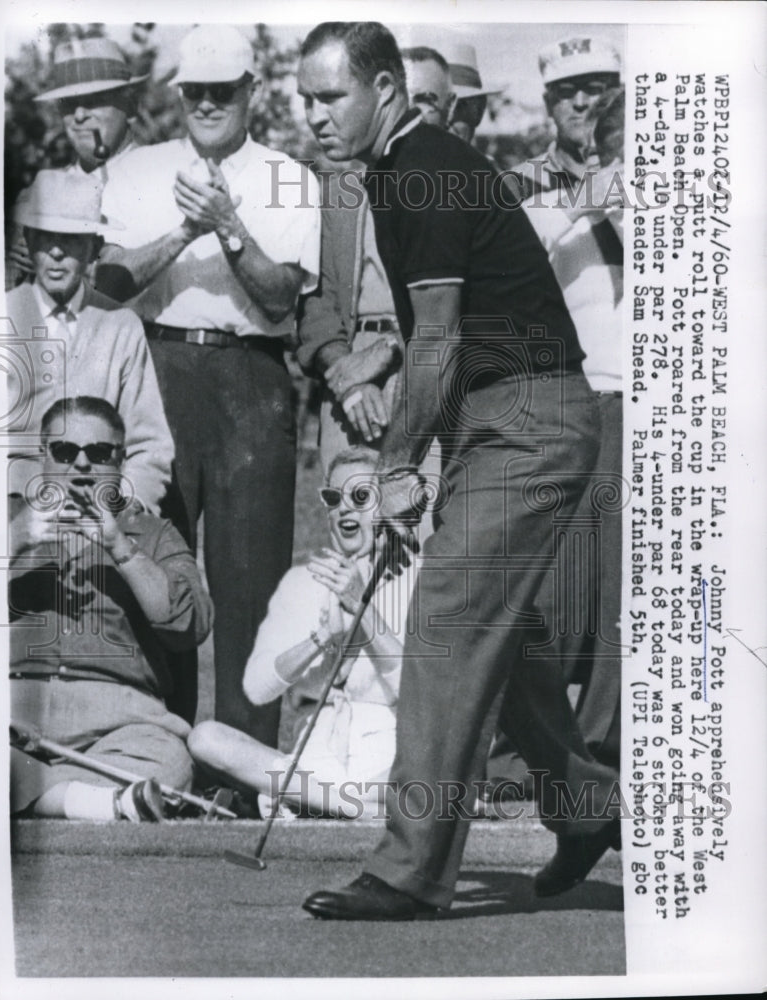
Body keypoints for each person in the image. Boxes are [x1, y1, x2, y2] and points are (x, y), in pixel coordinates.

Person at [296, 21, 621, 921]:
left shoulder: (420, 172)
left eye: (330, 97)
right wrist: (383, 367)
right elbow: (443, 329)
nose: (314, 117)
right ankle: (588, 802)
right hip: (503, 415)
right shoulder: (400, 171)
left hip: (529, 419)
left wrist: (395, 464)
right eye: (304, 99)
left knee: (445, 620)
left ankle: (408, 871)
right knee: (498, 633)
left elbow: (439, 338)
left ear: (385, 91)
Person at [96, 25, 320, 749]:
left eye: (223, 89)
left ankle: (237, 765)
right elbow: (108, 283)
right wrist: (182, 233)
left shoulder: (289, 174)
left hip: (251, 378)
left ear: (252, 90)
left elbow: (284, 296)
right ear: (178, 93)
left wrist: (227, 226)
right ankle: (154, 748)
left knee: (250, 579)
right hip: (156, 370)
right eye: (195, 90)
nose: (208, 102)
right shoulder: (137, 169)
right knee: (154, 563)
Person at [490, 41, 624, 792]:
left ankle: (604, 752)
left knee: (623, 592)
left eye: (599, 88)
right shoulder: (523, 185)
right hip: (562, 401)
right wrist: (582, 201)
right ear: (547, 104)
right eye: (568, 92)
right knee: (548, 591)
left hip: (641, 400)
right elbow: (507, 268)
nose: (583, 103)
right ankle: (534, 758)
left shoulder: (657, 169)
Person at [9, 396, 212, 821]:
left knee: (169, 765)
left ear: (120, 460)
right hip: (13, 709)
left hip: (120, 721)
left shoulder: (153, 532)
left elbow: (187, 624)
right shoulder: (4, 517)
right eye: (65, 451)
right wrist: (13, 541)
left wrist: (121, 547)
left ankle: (28, 791)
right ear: (43, 455)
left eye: (99, 453)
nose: (82, 465)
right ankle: (95, 802)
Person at [189, 448, 415, 817]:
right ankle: (347, 804)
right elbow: (259, 688)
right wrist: (319, 640)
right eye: (334, 498)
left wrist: (363, 609)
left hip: (387, 761)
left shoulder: (418, 580)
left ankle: (314, 801)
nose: (345, 509)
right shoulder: (301, 582)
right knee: (206, 738)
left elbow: (417, 694)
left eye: (360, 497)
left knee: (424, 781)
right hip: (314, 759)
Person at [297, 45, 453, 474]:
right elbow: (313, 300)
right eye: (403, 97)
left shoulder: (467, 187)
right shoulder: (338, 191)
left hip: (428, 365)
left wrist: (390, 349)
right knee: (352, 524)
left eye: (427, 101)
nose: (411, 112)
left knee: (424, 525)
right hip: (351, 366)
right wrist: (346, 376)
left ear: (450, 110)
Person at [6, 169, 174, 515]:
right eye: (44, 237)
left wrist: (125, 516)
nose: (55, 252)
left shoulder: (120, 326)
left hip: (99, 515)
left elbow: (149, 446)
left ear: (94, 248)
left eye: (71, 239)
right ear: (28, 239)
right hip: (11, 512)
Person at [6, 36, 146, 289]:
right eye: (69, 103)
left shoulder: (164, 183)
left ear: (131, 106)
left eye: (95, 99)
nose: (80, 115)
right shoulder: (39, 194)